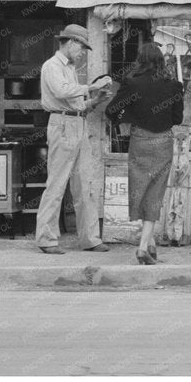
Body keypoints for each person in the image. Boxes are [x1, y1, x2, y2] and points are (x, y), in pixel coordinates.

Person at [35, 23, 113, 255]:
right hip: (62, 124)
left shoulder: (69, 68)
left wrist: (95, 101)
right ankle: (46, 239)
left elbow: (76, 104)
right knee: (56, 184)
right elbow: (61, 91)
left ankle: (90, 238)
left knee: (85, 183)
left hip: (77, 123)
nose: (82, 53)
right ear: (70, 43)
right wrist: (92, 86)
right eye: (81, 48)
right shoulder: (52, 66)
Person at [107, 41, 184, 265]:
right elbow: (177, 118)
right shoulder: (174, 86)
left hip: (139, 140)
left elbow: (111, 110)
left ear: (140, 60)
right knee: (155, 193)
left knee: (140, 190)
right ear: (162, 61)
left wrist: (126, 117)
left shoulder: (132, 83)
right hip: (163, 142)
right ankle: (144, 247)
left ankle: (149, 244)